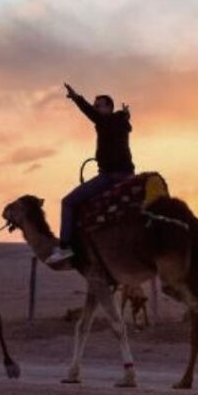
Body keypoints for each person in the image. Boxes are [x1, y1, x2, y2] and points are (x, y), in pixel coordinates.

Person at [46, 84, 136, 266]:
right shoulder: (122, 122)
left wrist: (76, 98)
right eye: (96, 106)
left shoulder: (105, 121)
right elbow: (122, 119)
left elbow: (90, 113)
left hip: (110, 177)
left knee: (68, 202)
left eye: (99, 105)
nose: (96, 109)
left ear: (109, 108)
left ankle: (65, 247)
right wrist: (125, 114)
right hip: (128, 176)